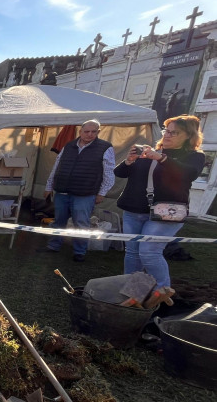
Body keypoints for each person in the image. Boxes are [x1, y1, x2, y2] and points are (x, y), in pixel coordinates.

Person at [114, 115, 206, 305]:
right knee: (133, 252)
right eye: (167, 131)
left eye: (174, 132)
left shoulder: (194, 156)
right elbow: (120, 173)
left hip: (166, 212)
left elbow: (188, 174)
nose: (168, 135)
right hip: (134, 209)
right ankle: (134, 295)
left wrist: (162, 158)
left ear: (189, 136)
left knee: (149, 251)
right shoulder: (150, 152)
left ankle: (162, 292)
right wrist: (129, 160)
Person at [42, 119, 116, 262]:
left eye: (93, 132)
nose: (89, 134)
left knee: (81, 223)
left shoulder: (105, 147)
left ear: (98, 132)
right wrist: (48, 186)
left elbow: (108, 172)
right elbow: (57, 166)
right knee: (58, 221)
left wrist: (102, 193)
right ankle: (53, 245)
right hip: (62, 191)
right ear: (80, 132)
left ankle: (79, 252)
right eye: (86, 131)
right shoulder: (69, 145)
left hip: (85, 193)